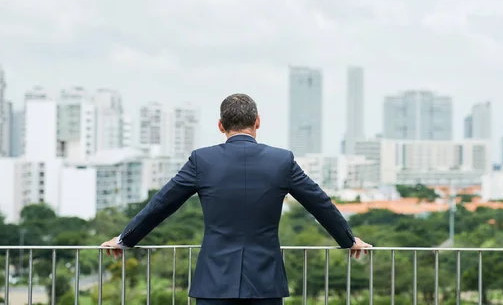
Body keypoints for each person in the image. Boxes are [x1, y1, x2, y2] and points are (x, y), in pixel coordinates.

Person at [101, 93, 371, 304]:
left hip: (214, 283)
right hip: (265, 283)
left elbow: (162, 204)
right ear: (258, 122)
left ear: (220, 125)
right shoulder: (281, 161)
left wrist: (125, 239)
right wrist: (349, 240)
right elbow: (319, 203)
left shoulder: (202, 160)